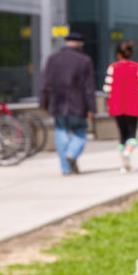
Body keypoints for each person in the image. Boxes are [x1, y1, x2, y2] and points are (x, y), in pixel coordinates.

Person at [40, 31, 95, 176]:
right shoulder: (84, 60)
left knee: (61, 131)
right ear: (80, 44)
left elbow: (45, 83)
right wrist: (91, 108)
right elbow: (88, 87)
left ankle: (65, 168)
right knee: (80, 131)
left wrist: (43, 103)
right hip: (78, 103)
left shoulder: (53, 59)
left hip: (57, 102)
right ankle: (72, 153)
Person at [103, 40, 138, 173]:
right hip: (133, 105)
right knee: (132, 135)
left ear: (118, 54)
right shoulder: (137, 67)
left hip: (117, 105)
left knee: (122, 135)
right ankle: (127, 154)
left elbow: (107, 88)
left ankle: (124, 163)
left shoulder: (113, 67)